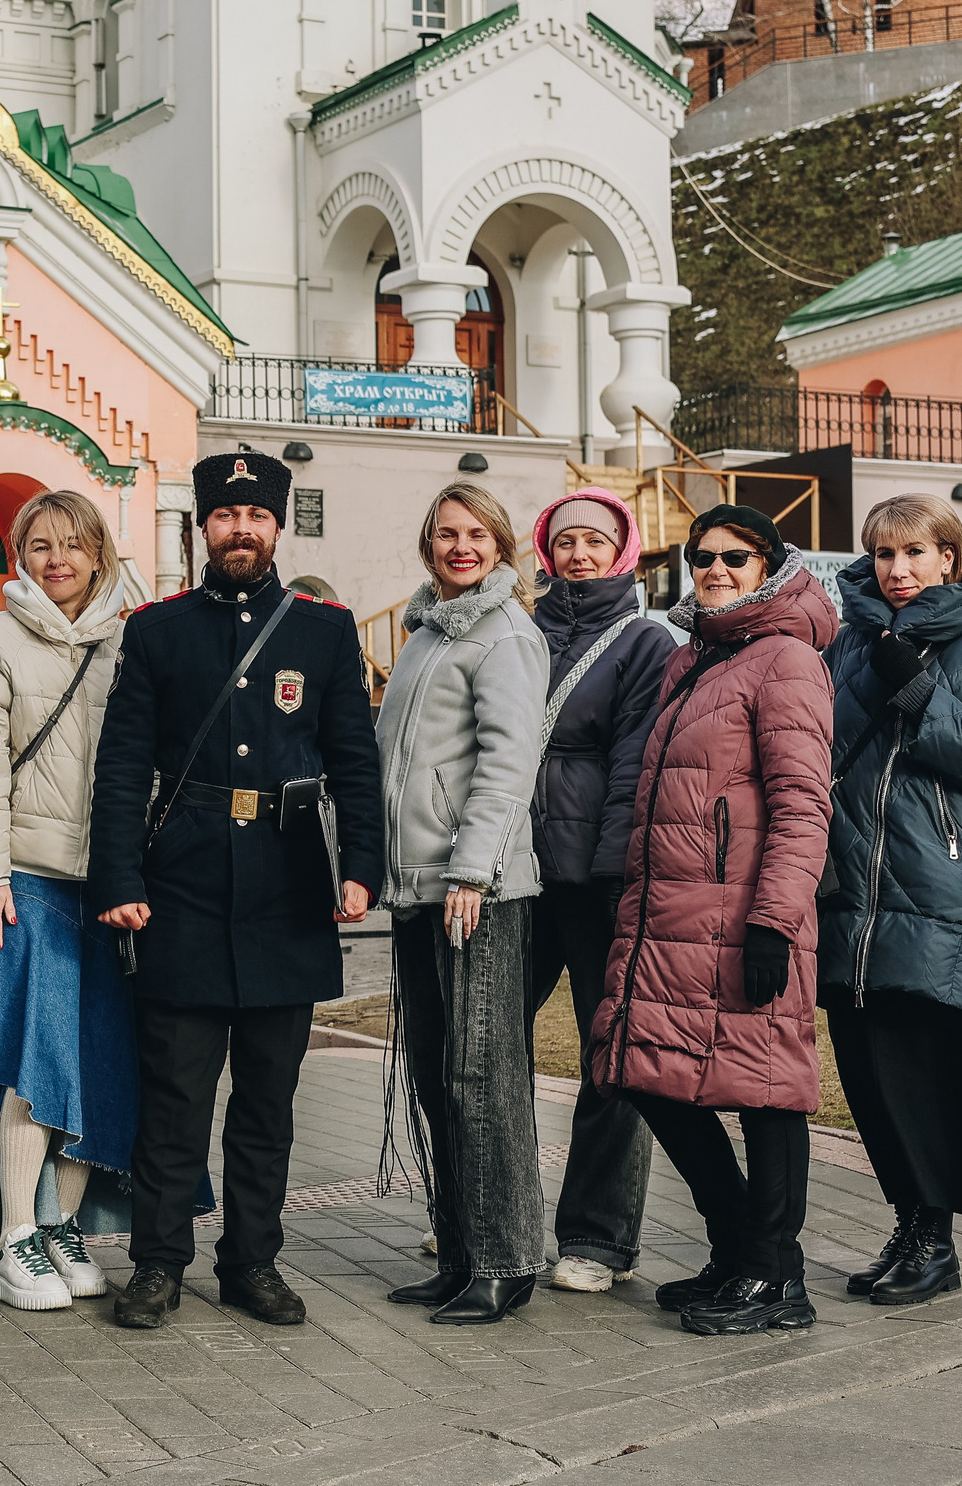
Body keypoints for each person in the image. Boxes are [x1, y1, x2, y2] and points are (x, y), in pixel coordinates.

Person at [87, 450, 383, 1331]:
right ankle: (157, 1263)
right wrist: (120, 877)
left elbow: (356, 767)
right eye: (226, 516)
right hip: (179, 887)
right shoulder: (157, 630)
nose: (242, 529)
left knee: (267, 1099)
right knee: (174, 1096)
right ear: (203, 526)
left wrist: (361, 867)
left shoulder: (324, 631)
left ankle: (253, 1259)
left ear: (277, 526)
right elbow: (122, 767)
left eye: (256, 517)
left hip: (288, 889)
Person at [589, 505, 835, 1336]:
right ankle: (741, 1250)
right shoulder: (696, 655)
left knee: (766, 1093)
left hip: (747, 919)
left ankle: (775, 1279)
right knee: (646, 1074)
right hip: (671, 916)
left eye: (735, 556)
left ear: (768, 563)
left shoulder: (788, 658)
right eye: (702, 557)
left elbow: (803, 803)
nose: (716, 569)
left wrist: (774, 918)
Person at [820, 495, 962, 1304]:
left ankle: (936, 1241)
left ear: (950, 556)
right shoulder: (852, 640)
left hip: (936, 885)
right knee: (868, 1077)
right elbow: (829, 741)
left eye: (914, 553)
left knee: (924, 1072)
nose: (897, 570)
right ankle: (909, 1228)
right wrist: (878, 666)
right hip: (850, 890)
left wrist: (916, 687)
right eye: (882, 555)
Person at [0, 489, 140, 1311]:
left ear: (100, 552)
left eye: (72, 544)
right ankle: (13, 1231)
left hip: (110, 885)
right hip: (23, 877)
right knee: (33, 1062)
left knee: (92, 1058)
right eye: (40, 544)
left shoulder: (132, 640)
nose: (56, 558)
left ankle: (62, 1221)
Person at [377, 483, 551, 1327]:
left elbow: (507, 764)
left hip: (475, 890)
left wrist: (472, 871)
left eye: (476, 533)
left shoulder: (505, 633)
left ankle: (507, 1260)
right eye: (446, 532)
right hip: (420, 889)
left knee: (483, 1078)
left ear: (501, 544)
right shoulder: (425, 633)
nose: (460, 545)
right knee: (437, 1074)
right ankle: (458, 1253)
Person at [522, 489, 668, 1295]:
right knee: (487, 1049)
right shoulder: (521, 629)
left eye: (595, 541)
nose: (579, 553)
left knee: (611, 1055)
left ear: (623, 551)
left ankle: (596, 1237)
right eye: (566, 540)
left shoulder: (643, 641)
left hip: (594, 879)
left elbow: (634, 763)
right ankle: (490, 1215)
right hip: (516, 872)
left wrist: (617, 871)